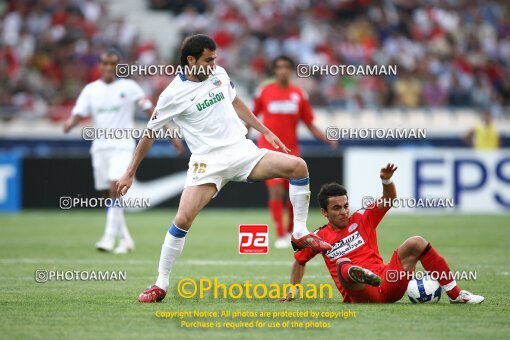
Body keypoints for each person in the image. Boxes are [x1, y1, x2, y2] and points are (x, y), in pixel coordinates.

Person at [115, 34, 332, 303]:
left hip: (241, 152)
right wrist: (129, 172)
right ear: (191, 60)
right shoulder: (171, 95)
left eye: (215, 57)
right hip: (207, 163)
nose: (214, 63)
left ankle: (298, 230)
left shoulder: (218, 73)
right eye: (209, 59)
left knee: (298, 166)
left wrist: (265, 130)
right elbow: (149, 134)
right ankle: (160, 283)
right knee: (182, 220)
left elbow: (235, 101)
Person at [279, 163, 484, 304]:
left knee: (416, 242)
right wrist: (293, 289)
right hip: (361, 295)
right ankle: (359, 274)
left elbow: (389, 200)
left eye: (345, 206)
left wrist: (386, 181)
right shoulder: (318, 237)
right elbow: (300, 260)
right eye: (336, 208)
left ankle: (457, 295)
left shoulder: (362, 218)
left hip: (388, 281)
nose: (343, 211)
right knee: (343, 264)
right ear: (324, 212)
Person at [64, 49, 184, 254]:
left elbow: (152, 111)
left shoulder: (129, 87)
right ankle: (126, 239)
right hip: (100, 147)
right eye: (105, 63)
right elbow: (78, 113)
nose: (109, 67)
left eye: (113, 64)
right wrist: (70, 123)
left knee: (114, 187)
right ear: (100, 66)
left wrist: (170, 133)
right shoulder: (91, 90)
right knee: (106, 194)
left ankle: (109, 237)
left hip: (122, 145)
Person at [253, 55, 336, 248]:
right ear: (274, 70)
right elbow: (252, 116)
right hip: (267, 148)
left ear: (291, 70)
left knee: (293, 195)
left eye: (286, 67)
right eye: (279, 67)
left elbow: (309, 123)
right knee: (275, 190)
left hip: (291, 150)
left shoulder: (299, 94)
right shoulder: (264, 91)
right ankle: (280, 234)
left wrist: (325, 138)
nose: (283, 70)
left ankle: (292, 230)